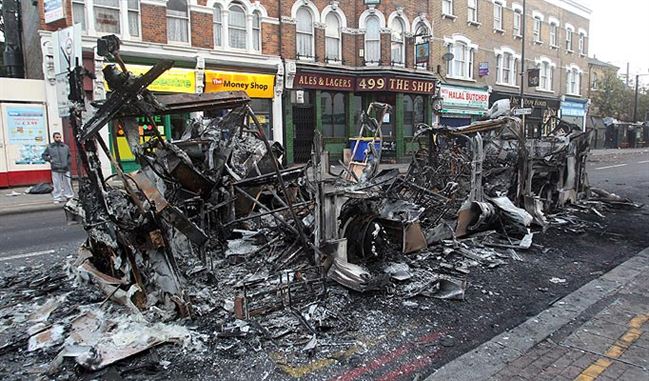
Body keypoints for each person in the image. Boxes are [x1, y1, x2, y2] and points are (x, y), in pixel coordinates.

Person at [42, 132, 74, 203]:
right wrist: (50, 160)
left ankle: (69, 196)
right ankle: (57, 198)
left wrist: (68, 163)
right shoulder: (50, 147)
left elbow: (69, 156)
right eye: (57, 137)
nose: (58, 138)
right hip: (55, 168)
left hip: (65, 168)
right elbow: (44, 155)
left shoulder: (65, 147)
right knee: (57, 184)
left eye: (59, 137)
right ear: (54, 138)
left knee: (67, 183)